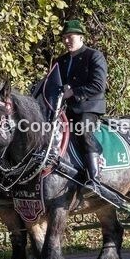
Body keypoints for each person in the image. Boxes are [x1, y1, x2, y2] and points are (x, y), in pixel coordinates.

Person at [54, 19, 108, 185]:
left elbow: (98, 85)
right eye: (65, 37)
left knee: (82, 130)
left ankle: (94, 178)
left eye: (71, 37)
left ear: (81, 37)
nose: (67, 40)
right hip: (64, 108)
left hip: (88, 107)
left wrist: (73, 92)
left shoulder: (94, 56)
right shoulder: (60, 61)